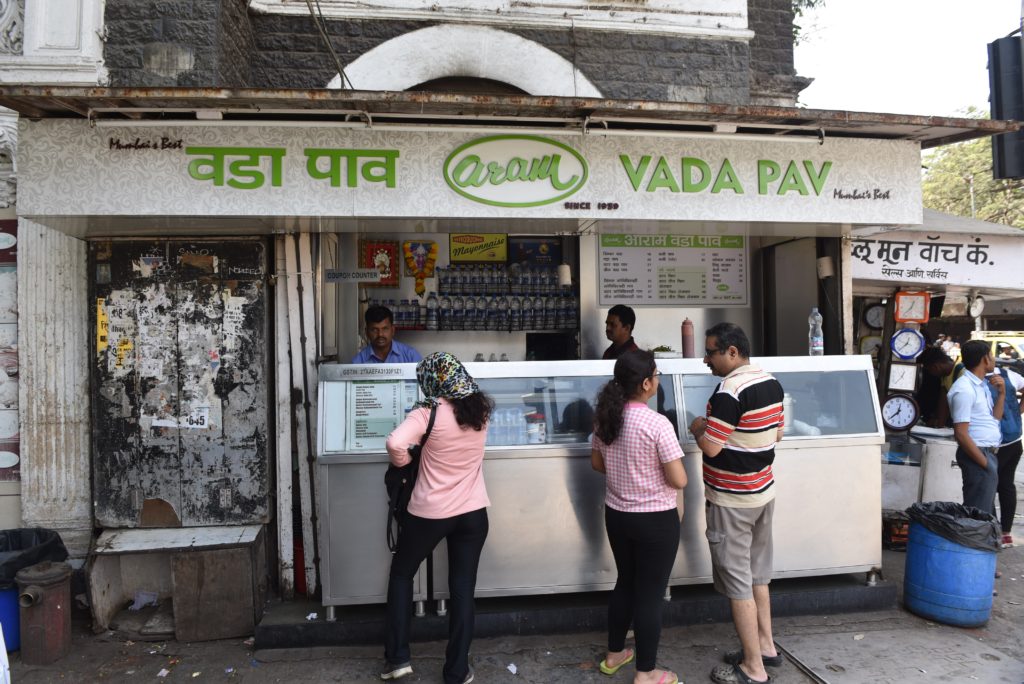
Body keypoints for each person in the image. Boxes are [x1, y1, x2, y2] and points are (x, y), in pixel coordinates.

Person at [381, 352, 493, 683]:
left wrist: (403, 463)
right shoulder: (480, 412)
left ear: (434, 380)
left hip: (430, 512)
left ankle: (398, 659)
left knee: (402, 575)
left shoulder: (427, 413)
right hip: (473, 512)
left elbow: (394, 443)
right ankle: (457, 671)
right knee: (462, 589)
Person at [688, 323, 784, 684]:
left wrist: (698, 426)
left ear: (731, 352)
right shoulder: (771, 381)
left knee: (739, 584)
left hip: (732, 500)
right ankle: (766, 647)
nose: (705, 359)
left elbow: (711, 446)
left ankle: (753, 669)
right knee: (758, 576)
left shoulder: (730, 390)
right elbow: (777, 432)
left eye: (711, 352)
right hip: (762, 493)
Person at [591, 350, 686, 684]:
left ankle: (615, 654)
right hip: (655, 521)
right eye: (656, 375)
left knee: (625, 583)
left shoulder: (605, 418)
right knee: (649, 595)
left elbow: (597, 464)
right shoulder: (657, 424)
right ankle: (646, 673)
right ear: (646, 383)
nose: (657, 380)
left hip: (618, 516)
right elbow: (679, 480)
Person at [946, 339, 1005, 516]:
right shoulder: (964, 389)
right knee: (977, 516)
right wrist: (985, 464)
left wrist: (1001, 394)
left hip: (988, 453)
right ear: (985, 359)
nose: (994, 359)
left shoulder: (981, 385)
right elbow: (961, 434)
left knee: (985, 514)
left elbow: (994, 419)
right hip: (977, 454)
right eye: (992, 355)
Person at [990, 364, 1024, 548]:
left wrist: (1018, 411)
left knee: (989, 484)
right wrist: (1018, 413)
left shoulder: (980, 377)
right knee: (1006, 485)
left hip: (1000, 442)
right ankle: (1006, 534)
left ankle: (994, 533)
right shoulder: (1009, 374)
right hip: (1014, 440)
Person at [351, 305, 422, 364]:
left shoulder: (410, 356)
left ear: (393, 330)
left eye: (385, 329)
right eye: (374, 330)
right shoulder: (358, 362)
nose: (380, 334)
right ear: (366, 332)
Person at [916, 347, 961, 427]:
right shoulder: (944, 377)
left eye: (929, 370)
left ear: (935, 367)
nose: (931, 374)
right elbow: (943, 402)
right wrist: (939, 425)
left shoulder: (961, 372)